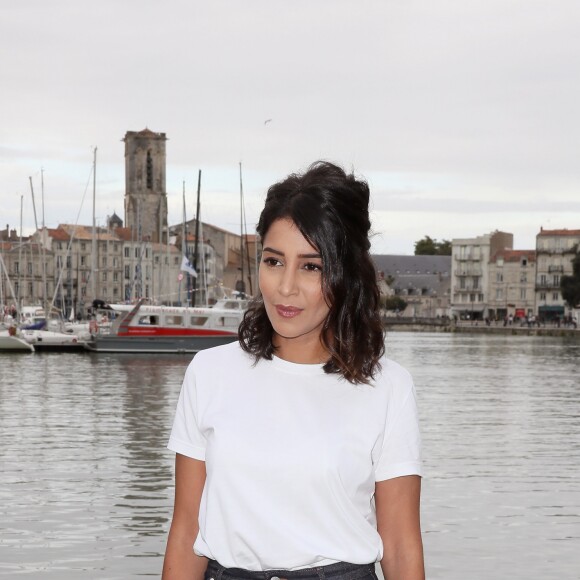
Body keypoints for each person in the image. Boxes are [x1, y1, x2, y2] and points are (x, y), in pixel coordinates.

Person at [163, 161, 424, 580]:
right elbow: (186, 529)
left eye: (311, 266)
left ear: (346, 274)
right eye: (273, 261)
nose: (286, 287)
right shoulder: (208, 373)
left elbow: (399, 544)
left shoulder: (389, 387)